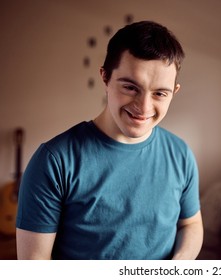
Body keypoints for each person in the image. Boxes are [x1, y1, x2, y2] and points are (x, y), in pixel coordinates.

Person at [16, 21, 203, 260]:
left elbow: (191, 225)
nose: (144, 107)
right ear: (105, 77)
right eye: (130, 87)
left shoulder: (181, 154)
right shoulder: (54, 161)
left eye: (159, 93)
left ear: (174, 92)